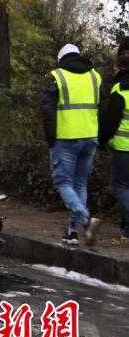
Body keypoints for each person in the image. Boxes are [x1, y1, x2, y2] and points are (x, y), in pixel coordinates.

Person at [41, 43, 102, 246]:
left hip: (66, 138)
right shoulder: (95, 76)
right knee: (80, 184)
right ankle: (72, 233)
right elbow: (102, 106)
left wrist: (50, 138)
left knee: (63, 182)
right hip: (90, 136)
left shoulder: (56, 76)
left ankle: (86, 220)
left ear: (61, 60)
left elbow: (47, 110)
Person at [99, 39, 129, 243]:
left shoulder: (119, 90)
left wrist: (101, 141)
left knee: (120, 186)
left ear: (119, 67)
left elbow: (110, 122)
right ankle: (126, 230)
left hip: (124, 149)